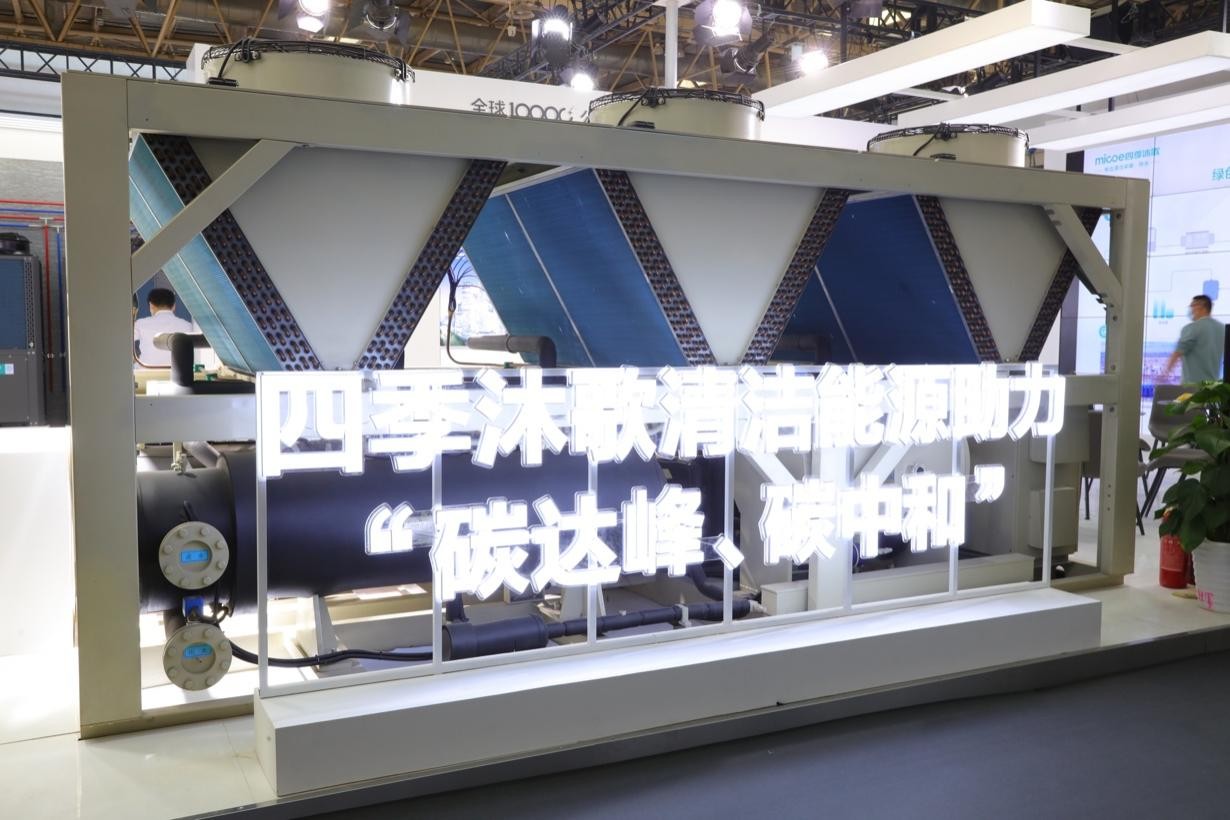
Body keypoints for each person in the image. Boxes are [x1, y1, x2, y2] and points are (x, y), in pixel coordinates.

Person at [1164, 294, 1225, 384]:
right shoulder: (1222, 328)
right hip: (1213, 387)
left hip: (1192, 387)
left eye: (1192, 306)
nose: (1191, 310)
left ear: (1201, 306)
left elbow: (1177, 352)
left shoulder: (1192, 328)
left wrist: (1164, 373)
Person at [133, 288, 193, 367]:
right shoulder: (188, 326)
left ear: (151, 305)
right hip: (179, 372)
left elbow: (124, 341)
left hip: (146, 371)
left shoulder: (140, 324)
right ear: (174, 306)